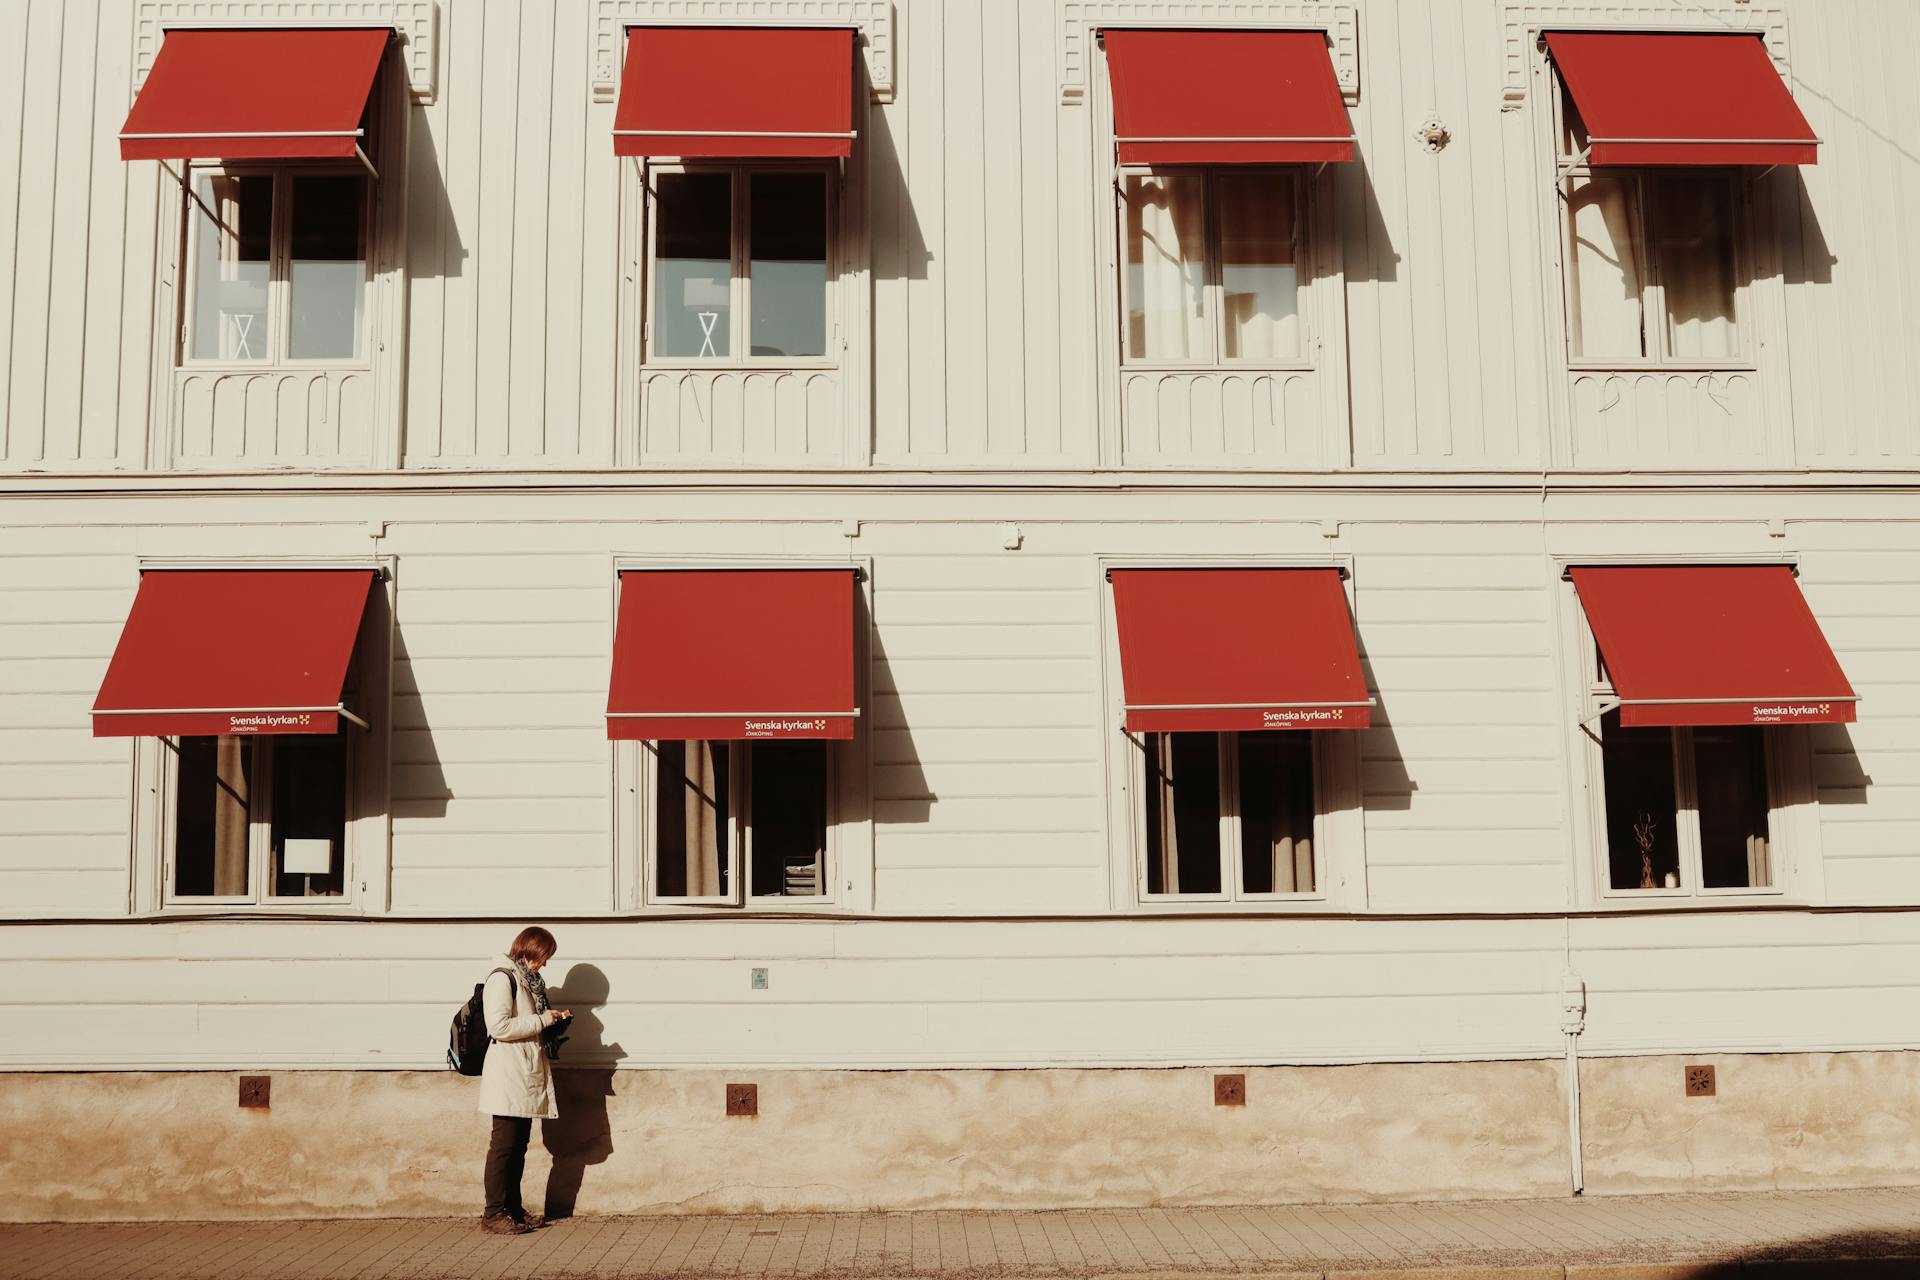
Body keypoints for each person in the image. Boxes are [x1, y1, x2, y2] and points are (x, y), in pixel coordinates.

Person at [478, 926, 572, 1234]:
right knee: (503, 1146)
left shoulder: (527, 982)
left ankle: (513, 1210)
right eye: (543, 957)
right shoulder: (501, 977)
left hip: (523, 1073)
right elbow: (499, 1026)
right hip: (508, 1074)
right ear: (529, 950)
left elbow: (526, 1025)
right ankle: (493, 1214)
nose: (544, 965)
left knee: (518, 1146)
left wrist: (554, 1024)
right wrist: (544, 1019)